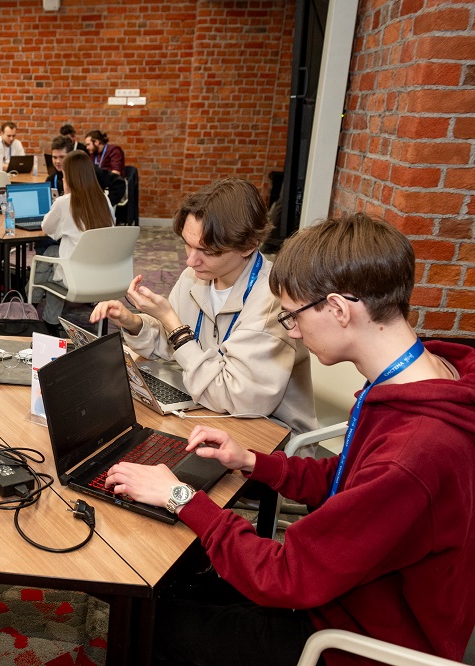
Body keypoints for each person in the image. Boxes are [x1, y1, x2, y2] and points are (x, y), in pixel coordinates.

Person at [104, 213, 475, 666]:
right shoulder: (429, 378)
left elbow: (285, 577)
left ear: (338, 309)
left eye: (293, 316)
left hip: (352, 640)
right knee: (177, 583)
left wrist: (180, 497)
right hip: (347, 591)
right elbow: (346, 479)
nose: (292, 331)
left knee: (142, 624)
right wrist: (253, 461)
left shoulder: (413, 452)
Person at [91, 177, 316, 434]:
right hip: (210, 406)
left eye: (207, 251)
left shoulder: (272, 301)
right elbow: (173, 348)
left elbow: (236, 398)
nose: (190, 260)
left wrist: (173, 323)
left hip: (268, 430)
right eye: (187, 244)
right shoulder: (197, 276)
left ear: (249, 246)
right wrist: (134, 323)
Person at [31, 150, 115, 331]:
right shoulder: (104, 200)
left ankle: (33, 305)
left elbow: (47, 228)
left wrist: (65, 195)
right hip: (102, 276)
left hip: (75, 277)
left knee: (48, 257)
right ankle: (43, 314)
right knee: (54, 256)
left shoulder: (64, 202)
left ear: (69, 177)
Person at [49, 136, 125, 208]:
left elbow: (119, 182)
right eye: (54, 157)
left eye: (62, 157)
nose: (57, 161)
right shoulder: (51, 179)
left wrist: (105, 205)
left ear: (70, 156)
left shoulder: (88, 171)